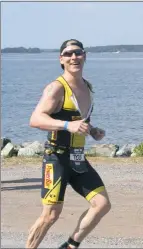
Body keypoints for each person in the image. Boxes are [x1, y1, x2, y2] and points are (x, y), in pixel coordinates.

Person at [26, 39, 111, 249]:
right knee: (50, 215)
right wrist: (66, 125)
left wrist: (92, 131)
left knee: (102, 204)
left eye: (78, 52)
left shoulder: (88, 87)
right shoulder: (56, 88)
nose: (74, 57)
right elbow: (35, 119)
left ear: (85, 56)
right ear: (61, 59)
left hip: (78, 159)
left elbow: (79, 121)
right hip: (56, 159)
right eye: (69, 53)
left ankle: (70, 245)